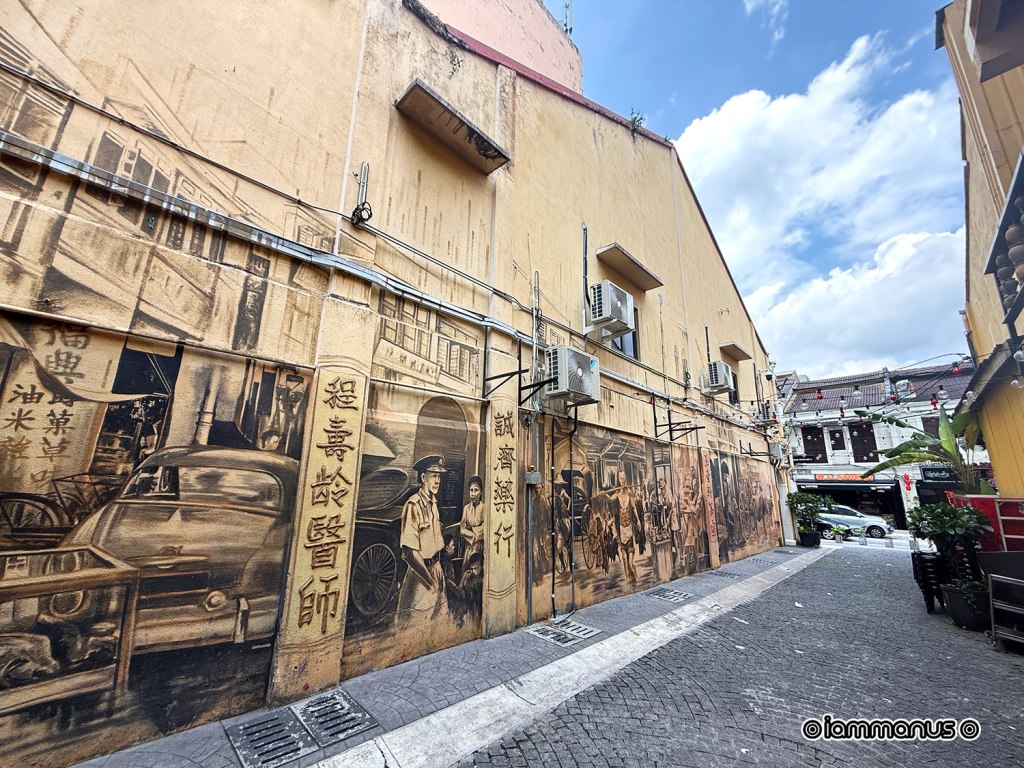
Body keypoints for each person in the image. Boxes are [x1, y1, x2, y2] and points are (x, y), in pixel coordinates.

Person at [396, 455, 448, 628]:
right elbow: (410, 552)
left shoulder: (434, 503)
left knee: (439, 624)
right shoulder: (413, 505)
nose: (437, 481)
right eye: (433, 476)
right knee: (414, 623)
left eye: (439, 476)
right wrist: (430, 582)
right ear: (423, 477)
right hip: (420, 575)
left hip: (437, 569)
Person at [459, 475, 485, 558]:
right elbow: (462, 529)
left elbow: (485, 529)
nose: (473, 494)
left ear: (481, 492)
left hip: (481, 546)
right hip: (469, 545)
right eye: (471, 490)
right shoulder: (466, 508)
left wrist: (472, 529)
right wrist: (471, 534)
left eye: (476, 490)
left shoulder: (484, 508)